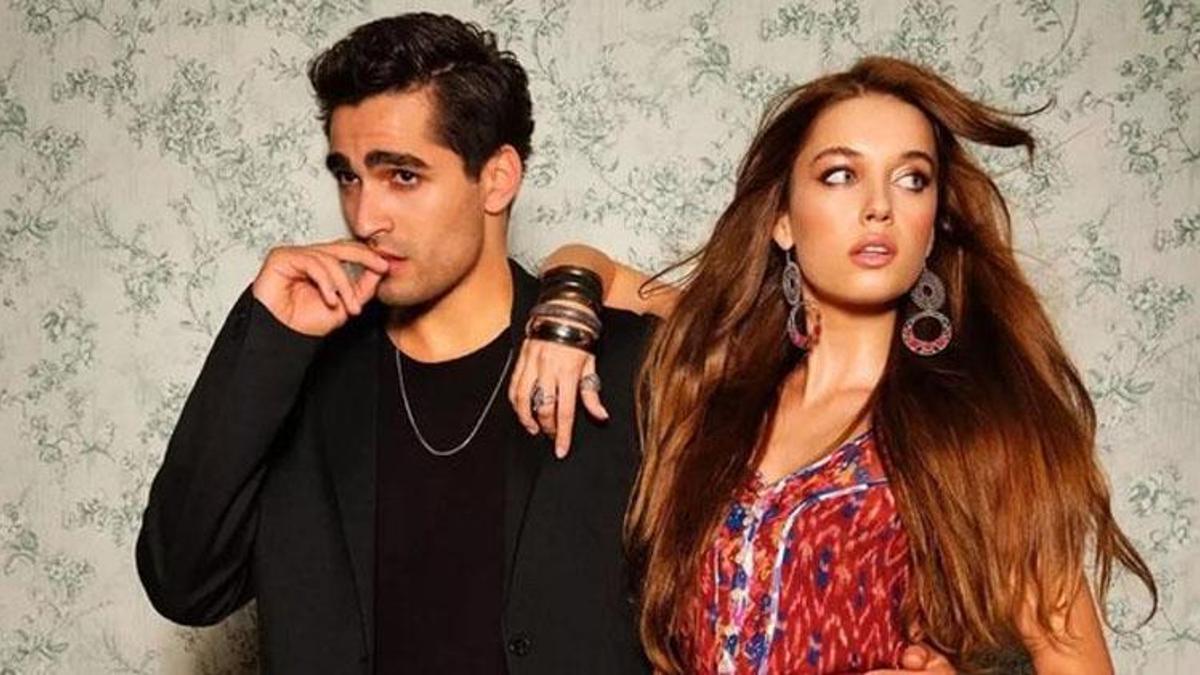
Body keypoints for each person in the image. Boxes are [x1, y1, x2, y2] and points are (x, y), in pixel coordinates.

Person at [512, 56, 1157, 673]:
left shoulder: (978, 433)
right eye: (841, 175)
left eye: (911, 180)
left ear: (933, 225)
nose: (879, 206)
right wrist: (564, 315)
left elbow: (1077, 662)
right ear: (783, 221)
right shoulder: (721, 374)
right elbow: (596, 265)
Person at [134, 13, 654, 674]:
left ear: (497, 178)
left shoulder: (624, 364)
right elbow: (183, 583)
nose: (365, 216)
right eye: (349, 176)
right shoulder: (298, 373)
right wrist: (265, 336)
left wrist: (579, 278)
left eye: (402, 176)